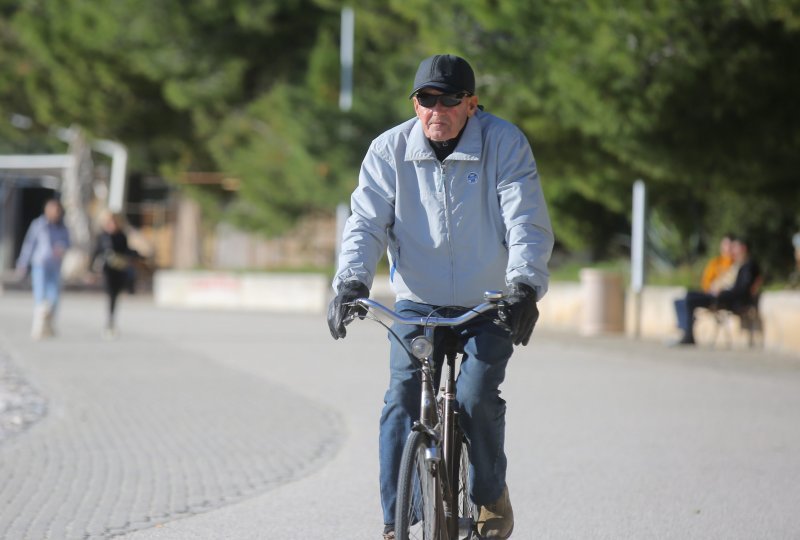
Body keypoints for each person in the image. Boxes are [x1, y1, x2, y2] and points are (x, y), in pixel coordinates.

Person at [327, 54, 554, 540]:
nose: (438, 109)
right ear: (415, 105)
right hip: (417, 301)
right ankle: (396, 522)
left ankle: (490, 496)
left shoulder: (504, 143)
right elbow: (366, 223)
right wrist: (350, 282)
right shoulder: (387, 151)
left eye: (450, 99)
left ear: (471, 104)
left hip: (491, 300)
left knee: (474, 396)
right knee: (401, 399)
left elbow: (526, 222)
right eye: (427, 99)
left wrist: (524, 287)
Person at [672, 237, 761, 345]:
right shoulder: (737, 264)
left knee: (690, 300)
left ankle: (688, 335)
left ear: (743, 248)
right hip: (721, 296)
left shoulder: (748, 266)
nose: (732, 251)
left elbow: (741, 291)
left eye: (735, 248)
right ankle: (685, 330)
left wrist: (723, 292)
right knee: (688, 295)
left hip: (726, 299)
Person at [15, 198, 71, 339]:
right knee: (40, 296)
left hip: (55, 266)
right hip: (40, 264)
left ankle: (50, 325)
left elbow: (69, 243)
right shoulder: (39, 225)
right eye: (52, 209)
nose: (55, 213)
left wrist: (62, 247)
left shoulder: (63, 227)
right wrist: (22, 263)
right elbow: (29, 244)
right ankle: (38, 327)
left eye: (57, 210)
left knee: (54, 297)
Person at [673, 234, 736, 334]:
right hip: (709, 292)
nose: (726, 248)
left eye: (729, 245)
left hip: (719, 296)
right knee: (682, 299)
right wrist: (709, 288)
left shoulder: (735, 264)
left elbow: (730, 283)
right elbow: (706, 279)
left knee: (689, 300)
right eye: (724, 245)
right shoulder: (716, 262)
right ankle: (684, 328)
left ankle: (687, 332)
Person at [92, 212, 139, 339]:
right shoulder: (102, 236)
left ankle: (111, 321)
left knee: (116, 295)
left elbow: (126, 251)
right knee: (111, 294)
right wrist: (91, 270)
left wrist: (135, 254)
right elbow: (95, 252)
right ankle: (109, 322)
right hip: (107, 270)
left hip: (119, 269)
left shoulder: (121, 236)